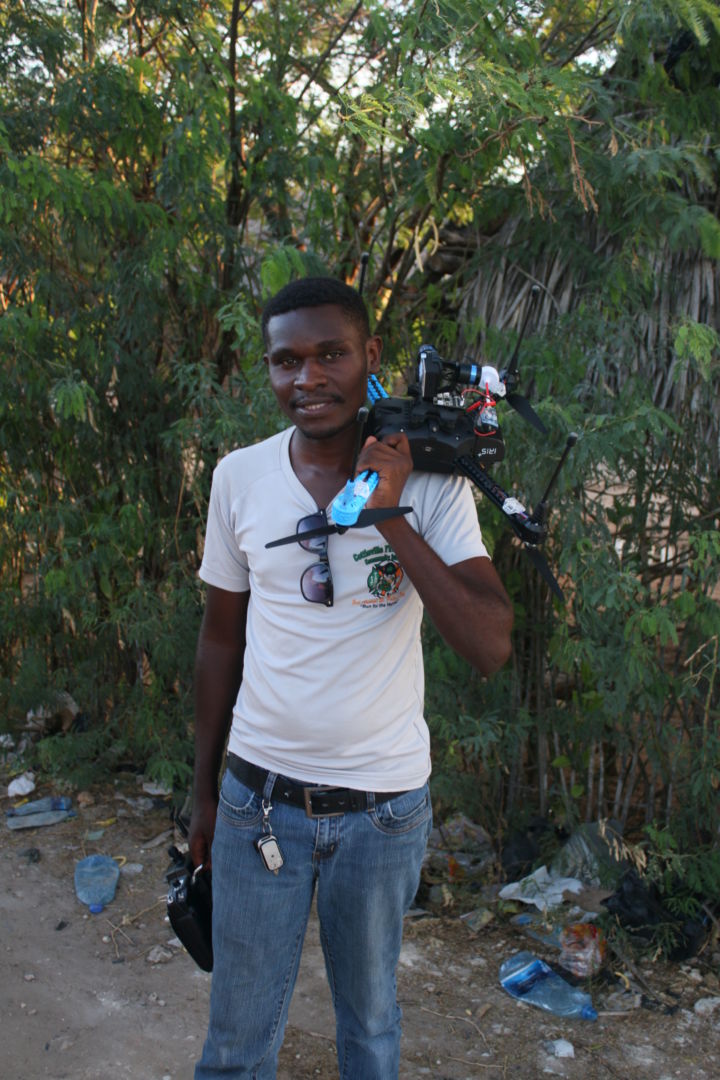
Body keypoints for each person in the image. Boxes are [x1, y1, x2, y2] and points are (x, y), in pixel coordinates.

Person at [190, 276, 513, 1079]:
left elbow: (489, 644)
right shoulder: (239, 477)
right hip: (256, 803)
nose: (308, 379)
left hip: (382, 813)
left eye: (330, 354)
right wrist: (203, 795)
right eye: (286, 361)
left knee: (370, 1030)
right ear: (269, 369)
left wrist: (388, 512)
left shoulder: (430, 481)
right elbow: (221, 641)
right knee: (235, 1042)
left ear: (370, 356)